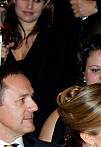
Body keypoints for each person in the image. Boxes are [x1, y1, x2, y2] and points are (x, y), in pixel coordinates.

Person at [1, 0, 78, 132]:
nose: (30, 5)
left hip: (46, 124)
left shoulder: (59, 38)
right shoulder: (2, 34)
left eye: (37, 0)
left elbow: (67, 86)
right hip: (7, 124)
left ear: (46, 3)